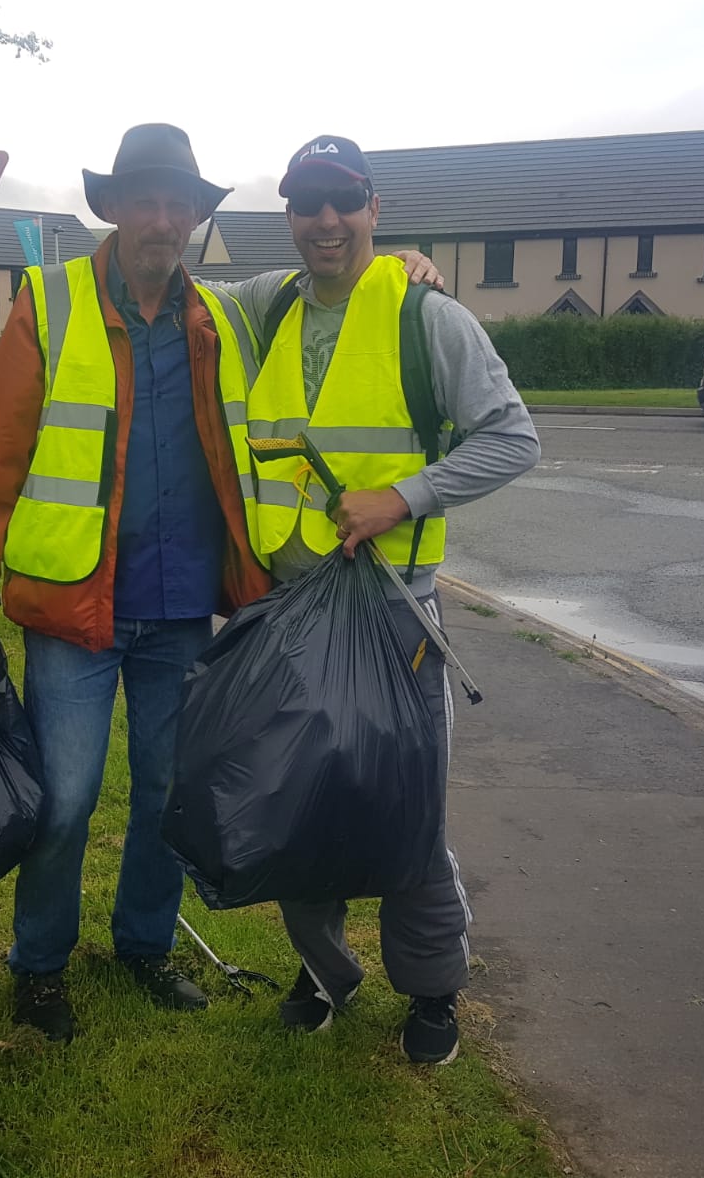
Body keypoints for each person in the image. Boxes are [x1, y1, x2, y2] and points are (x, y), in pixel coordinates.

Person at [0, 124, 440, 1043]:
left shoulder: (222, 316)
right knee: (66, 798)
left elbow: (323, 283)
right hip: (74, 607)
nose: (161, 220)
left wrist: (399, 264)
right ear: (115, 208)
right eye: (145, 200)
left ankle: (144, 946)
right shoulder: (48, 306)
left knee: (168, 797)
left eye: (179, 204)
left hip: (182, 610)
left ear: (196, 218)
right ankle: (40, 965)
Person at [217, 135, 542, 1065]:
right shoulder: (262, 305)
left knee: (407, 816)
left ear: (373, 207)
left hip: (395, 618)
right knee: (292, 807)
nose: (325, 220)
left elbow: (512, 438)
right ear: (287, 214)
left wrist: (404, 495)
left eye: (343, 201)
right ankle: (323, 973)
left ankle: (433, 990)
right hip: (286, 616)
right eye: (307, 202)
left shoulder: (426, 318)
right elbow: (177, 298)